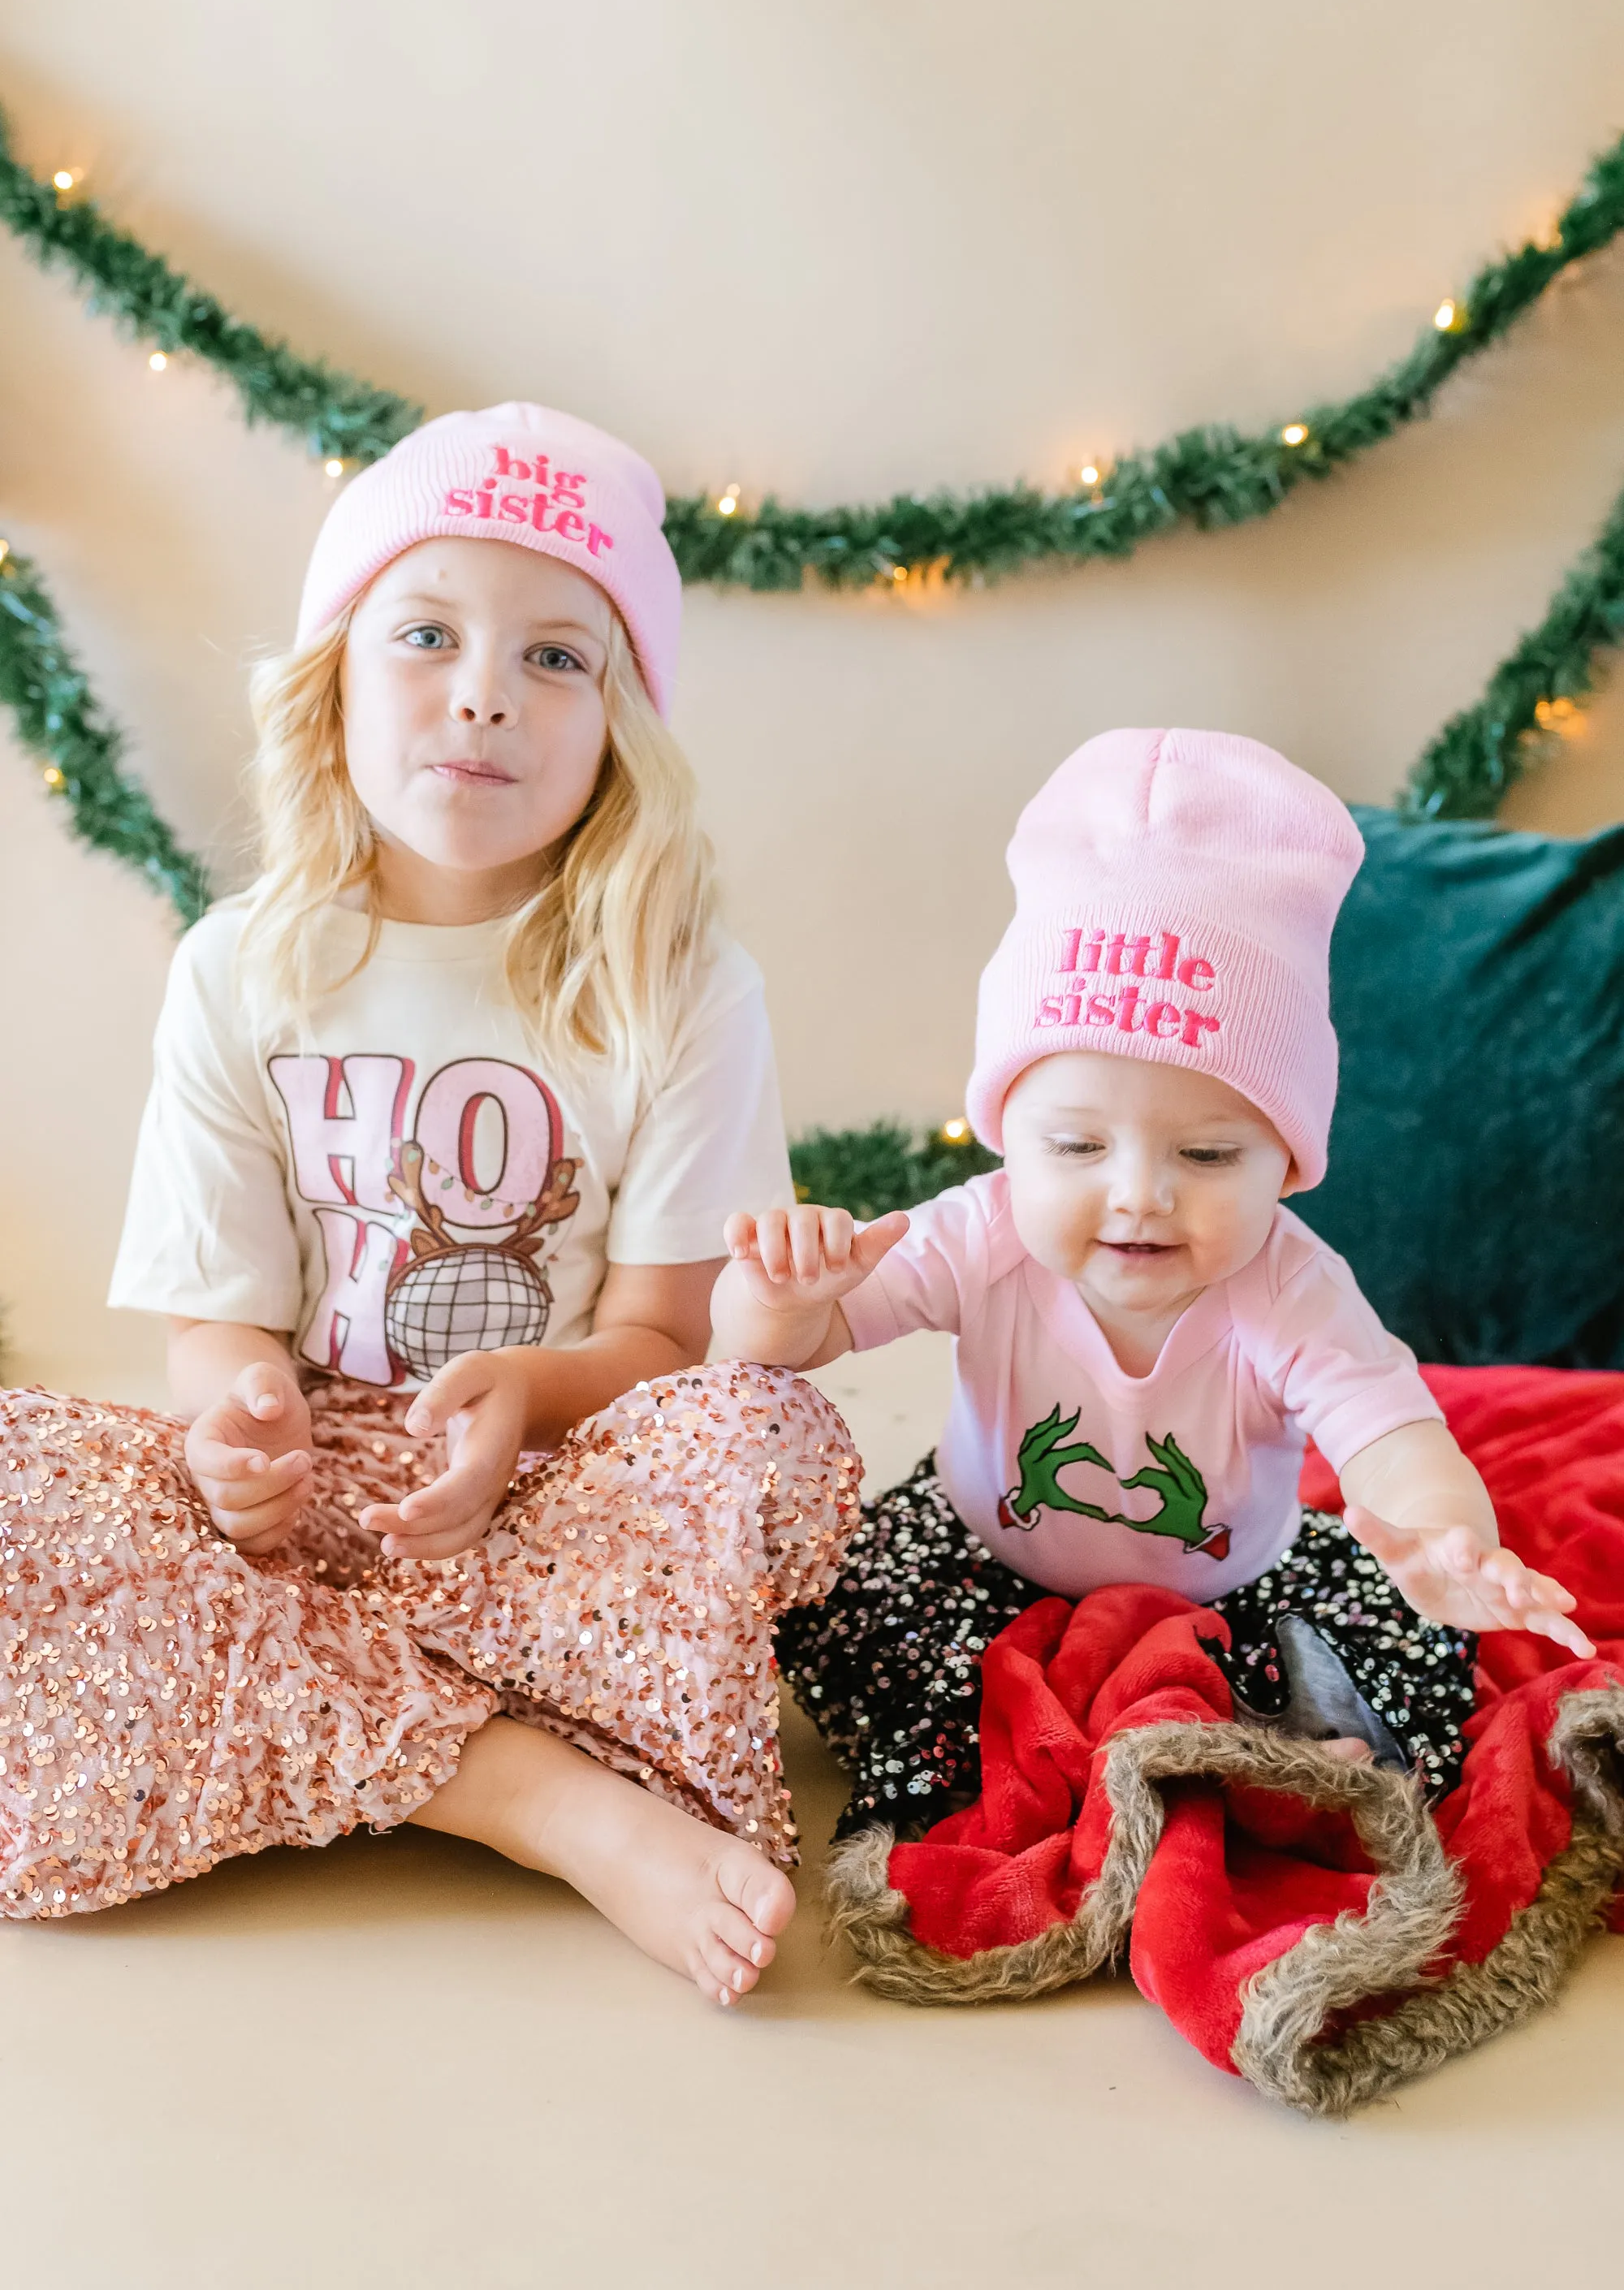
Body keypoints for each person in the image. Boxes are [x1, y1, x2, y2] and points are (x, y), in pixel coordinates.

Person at [0, 403, 861, 2001]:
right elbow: (221, 1324)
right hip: (302, 1512)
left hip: (548, 1505)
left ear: (621, 728)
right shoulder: (241, 968)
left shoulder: (679, 983)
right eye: (426, 633)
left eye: (556, 658)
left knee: (773, 1445)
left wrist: (527, 1396)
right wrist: (242, 1423)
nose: (483, 689)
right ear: (333, 683)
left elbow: (666, 1338)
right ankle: (533, 1796)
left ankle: (320, 1719)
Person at [710, 727, 1590, 1842]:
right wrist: (783, 1292)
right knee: (848, 1621)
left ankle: (1248, 1764)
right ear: (1008, 1138)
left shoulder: (1289, 1286)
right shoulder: (986, 1233)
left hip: (1233, 1583)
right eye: (1077, 1148)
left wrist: (1444, 1534)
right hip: (988, 1547)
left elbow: (1394, 1438)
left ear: (1287, 1159)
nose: (1138, 1196)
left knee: (1412, 1670)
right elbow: (781, 1345)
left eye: (1208, 1157)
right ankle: (1029, 1761)